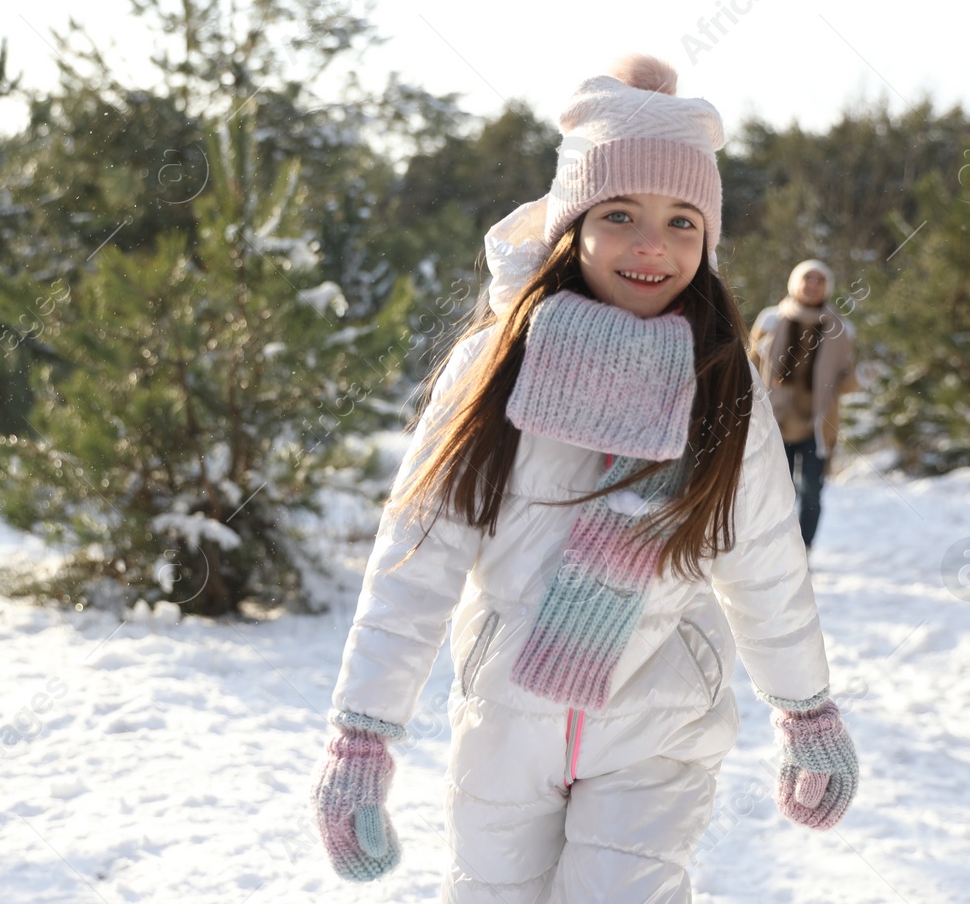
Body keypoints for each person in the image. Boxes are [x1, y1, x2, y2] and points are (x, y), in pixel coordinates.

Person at [309, 55, 858, 902]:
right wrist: (363, 734)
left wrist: (807, 706)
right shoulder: (494, 365)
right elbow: (417, 555)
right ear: (571, 224)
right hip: (507, 709)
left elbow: (762, 555)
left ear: (709, 240)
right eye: (621, 214)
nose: (653, 244)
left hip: (662, 713)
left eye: (683, 221)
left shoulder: (718, 377)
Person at [748, 261, 861, 549]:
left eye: (819, 280)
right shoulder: (771, 320)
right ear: (794, 282)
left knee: (812, 493)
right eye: (806, 278)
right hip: (777, 422)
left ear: (827, 287)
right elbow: (750, 366)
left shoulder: (843, 329)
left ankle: (803, 549)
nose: (812, 285)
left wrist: (861, 378)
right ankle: (774, 550)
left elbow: (846, 380)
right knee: (775, 491)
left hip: (817, 425)